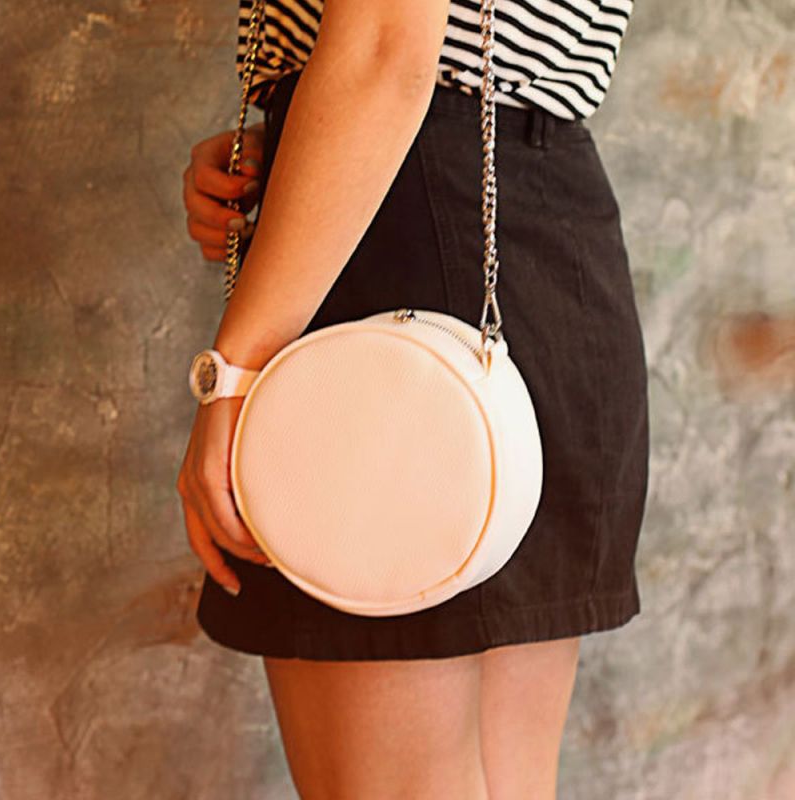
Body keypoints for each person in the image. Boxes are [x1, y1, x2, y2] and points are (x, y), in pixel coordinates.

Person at [177, 1, 647, 797]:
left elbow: (386, 49)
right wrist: (297, 147)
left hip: (406, 268)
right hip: (535, 244)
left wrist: (231, 372)